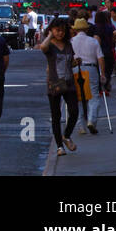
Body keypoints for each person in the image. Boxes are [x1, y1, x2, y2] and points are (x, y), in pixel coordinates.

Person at [39, 17, 80, 157]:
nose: (60, 33)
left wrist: (75, 62)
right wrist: (50, 34)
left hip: (69, 82)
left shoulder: (68, 45)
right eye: (57, 30)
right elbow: (42, 47)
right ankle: (59, 146)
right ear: (52, 30)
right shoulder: (49, 45)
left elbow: (70, 61)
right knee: (56, 115)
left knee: (74, 111)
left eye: (62, 31)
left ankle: (66, 135)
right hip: (55, 83)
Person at [71, 18, 106, 134]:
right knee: (93, 96)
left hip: (76, 69)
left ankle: (80, 126)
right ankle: (91, 120)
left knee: (78, 98)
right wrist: (102, 73)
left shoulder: (71, 41)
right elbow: (100, 58)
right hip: (91, 68)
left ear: (75, 30)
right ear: (86, 29)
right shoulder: (93, 41)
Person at [94, 6, 116, 94]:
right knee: (108, 70)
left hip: (98, 52)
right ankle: (106, 85)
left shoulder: (94, 27)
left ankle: (100, 87)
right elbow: (114, 39)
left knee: (98, 69)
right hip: (108, 51)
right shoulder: (111, 27)